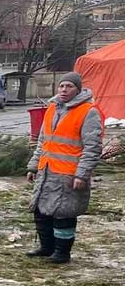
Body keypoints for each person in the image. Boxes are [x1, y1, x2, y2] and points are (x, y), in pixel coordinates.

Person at [25, 72, 103, 264]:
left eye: (69, 86)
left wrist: (81, 175)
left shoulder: (88, 111)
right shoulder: (52, 108)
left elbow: (93, 148)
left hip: (69, 174)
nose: (64, 90)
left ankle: (62, 253)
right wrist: (34, 166)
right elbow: (43, 141)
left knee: (63, 214)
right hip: (47, 171)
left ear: (78, 89)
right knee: (41, 212)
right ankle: (46, 247)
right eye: (61, 86)